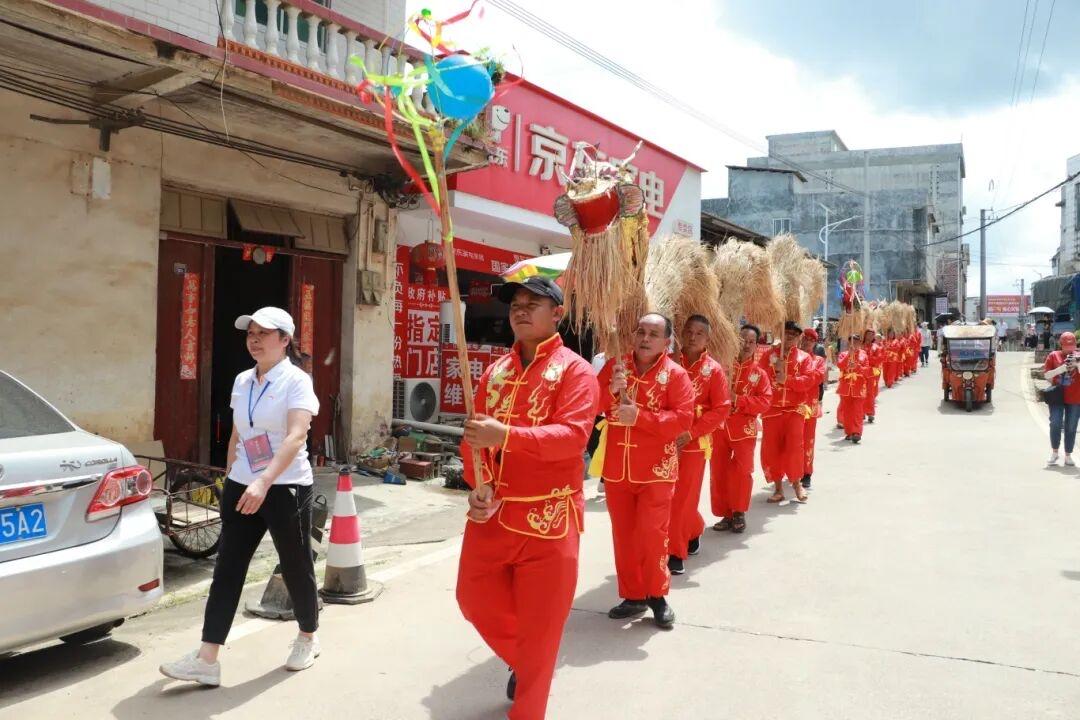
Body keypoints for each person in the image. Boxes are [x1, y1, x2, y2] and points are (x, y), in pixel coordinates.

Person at [457, 276, 600, 719]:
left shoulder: (575, 371)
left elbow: (573, 437)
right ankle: (529, 663)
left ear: (557, 313)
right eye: (515, 304)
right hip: (494, 515)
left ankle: (530, 695)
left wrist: (508, 435)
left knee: (541, 629)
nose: (520, 310)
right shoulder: (495, 372)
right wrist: (475, 485)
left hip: (550, 518)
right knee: (472, 597)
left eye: (532, 303)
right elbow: (473, 441)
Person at [160, 307, 321, 686]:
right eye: (250, 332)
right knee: (227, 569)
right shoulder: (242, 381)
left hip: (285, 487)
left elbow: (297, 436)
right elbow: (238, 433)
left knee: (295, 566)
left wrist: (263, 481)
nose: (254, 339)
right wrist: (231, 474)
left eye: (264, 333)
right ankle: (207, 658)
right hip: (243, 485)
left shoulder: (296, 382)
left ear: (285, 340)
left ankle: (308, 636)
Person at [596, 313, 694, 629]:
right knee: (623, 536)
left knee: (653, 536)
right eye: (641, 331)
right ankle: (633, 594)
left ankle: (657, 595)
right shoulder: (616, 367)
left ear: (667, 342)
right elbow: (590, 404)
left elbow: (682, 420)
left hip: (656, 471)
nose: (645, 338)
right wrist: (609, 389)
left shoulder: (676, 376)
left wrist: (639, 416)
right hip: (617, 469)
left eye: (654, 334)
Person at [668, 315, 730, 574]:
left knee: (683, 497)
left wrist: (691, 432)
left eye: (699, 333)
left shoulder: (714, 370)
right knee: (666, 496)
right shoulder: (668, 362)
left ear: (708, 338)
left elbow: (721, 409)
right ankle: (693, 528)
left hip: (693, 443)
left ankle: (674, 552)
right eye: (689, 331)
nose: (693, 337)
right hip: (664, 438)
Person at [712, 325, 772, 532]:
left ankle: (739, 512)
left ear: (757, 345)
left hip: (744, 429)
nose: (746, 345)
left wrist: (739, 399)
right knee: (718, 471)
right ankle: (725, 514)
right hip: (719, 427)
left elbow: (764, 402)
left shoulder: (760, 374)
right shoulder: (722, 368)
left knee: (741, 472)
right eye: (743, 340)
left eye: (751, 341)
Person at [760, 321, 815, 503]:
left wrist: (787, 380)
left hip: (794, 410)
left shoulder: (804, 358)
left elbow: (808, 381)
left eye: (794, 333)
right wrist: (773, 374)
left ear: (799, 337)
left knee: (794, 449)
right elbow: (760, 378)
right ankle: (777, 488)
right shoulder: (769, 355)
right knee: (772, 449)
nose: (790, 335)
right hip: (772, 410)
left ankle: (797, 484)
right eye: (787, 332)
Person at [1043, 331, 1080, 467]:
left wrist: (1077, 365)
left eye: (1072, 346)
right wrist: (1061, 369)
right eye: (1066, 346)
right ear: (1061, 344)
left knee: (1071, 426)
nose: (1069, 349)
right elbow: (1046, 376)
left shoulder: (1079, 356)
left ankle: (1068, 454)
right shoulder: (1054, 355)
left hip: (1075, 397)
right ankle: (1054, 452)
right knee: (1055, 423)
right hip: (1057, 397)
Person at [798, 329, 827, 489]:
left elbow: (816, 379)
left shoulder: (819, 361)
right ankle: (792, 471)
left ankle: (807, 473)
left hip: (810, 406)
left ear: (815, 343)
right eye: (805, 338)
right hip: (792, 406)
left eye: (811, 339)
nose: (807, 341)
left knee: (808, 440)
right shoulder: (792, 358)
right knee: (793, 441)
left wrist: (798, 380)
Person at [836, 333, 869, 443]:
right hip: (845, 386)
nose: (854, 344)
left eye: (856, 342)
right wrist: (848, 355)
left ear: (860, 343)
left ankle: (856, 432)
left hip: (859, 386)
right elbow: (840, 365)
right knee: (847, 411)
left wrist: (858, 367)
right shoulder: (843, 354)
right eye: (851, 342)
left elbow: (867, 371)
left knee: (858, 411)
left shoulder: (864, 355)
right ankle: (849, 431)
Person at [861, 329, 883, 424]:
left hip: (870, 373)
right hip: (860, 373)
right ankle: (861, 412)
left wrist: (866, 358)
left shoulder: (876, 347)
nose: (869, 336)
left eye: (871, 335)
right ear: (865, 335)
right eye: (868, 334)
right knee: (861, 392)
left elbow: (878, 359)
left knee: (870, 393)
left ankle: (870, 413)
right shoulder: (860, 346)